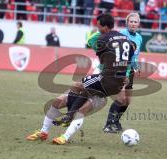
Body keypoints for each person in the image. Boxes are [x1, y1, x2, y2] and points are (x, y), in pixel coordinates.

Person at [26, 13, 135, 145]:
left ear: (105, 27)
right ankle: (45, 131)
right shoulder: (126, 39)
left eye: (98, 26)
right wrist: (125, 77)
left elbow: (102, 60)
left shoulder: (102, 39)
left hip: (105, 80)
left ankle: (67, 125)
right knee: (59, 101)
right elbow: (129, 60)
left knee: (78, 87)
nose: (97, 29)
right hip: (115, 82)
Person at [86, 12, 142, 133]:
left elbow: (135, 55)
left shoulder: (139, 37)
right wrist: (99, 46)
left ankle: (116, 121)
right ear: (127, 23)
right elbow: (94, 40)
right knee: (120, 98)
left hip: (129, 70)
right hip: (118, 69)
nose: (133, 24)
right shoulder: (120, 34)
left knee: (127, 101)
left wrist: (135, 66)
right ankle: (109, 123)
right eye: (131, 21)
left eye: (135, 22)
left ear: (138, 24)